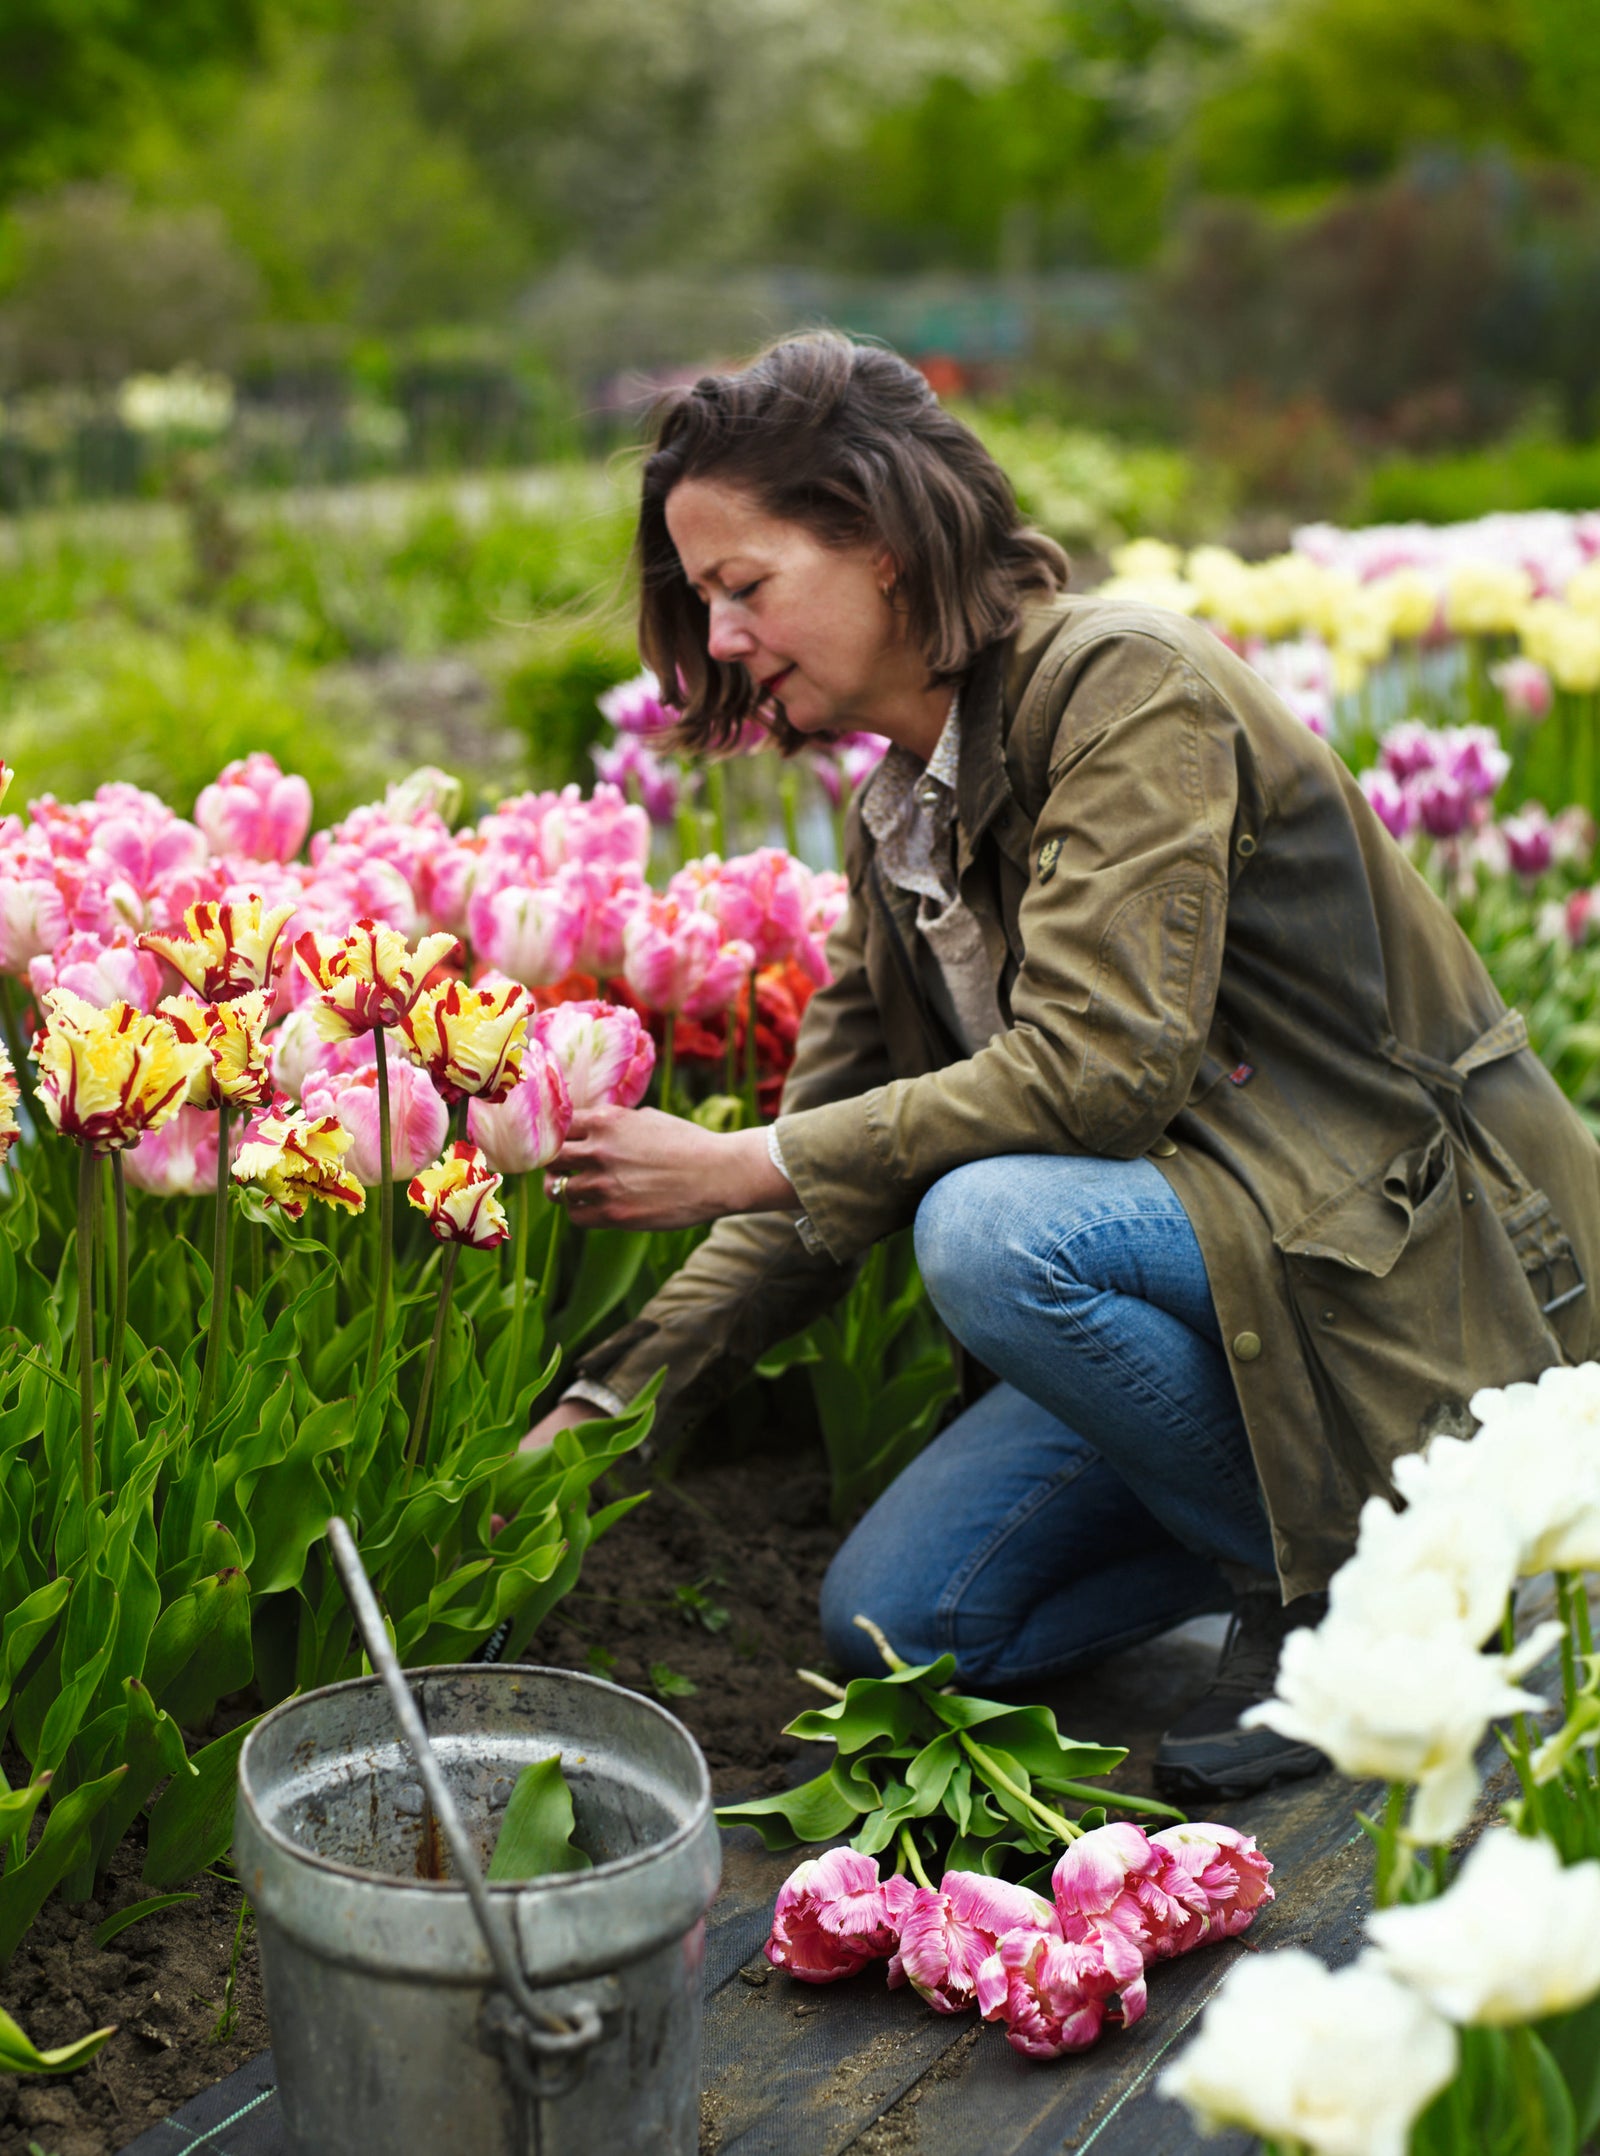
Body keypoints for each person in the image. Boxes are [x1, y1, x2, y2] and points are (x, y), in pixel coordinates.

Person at [523, 332, 1600, 1802]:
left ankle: (1374, 1587)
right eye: (702, 599)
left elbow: (1103, 1073)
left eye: (744, 587)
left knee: (989, 1228)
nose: (716, 641)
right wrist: (605, 1414)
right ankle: (1277, 1525)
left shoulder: (1125, 689)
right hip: (1223, 1286)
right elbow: (821, 1158)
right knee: (909, 1624)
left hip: (1388, 1260)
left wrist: (742, 1158)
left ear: (887, 544)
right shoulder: (903, 816)